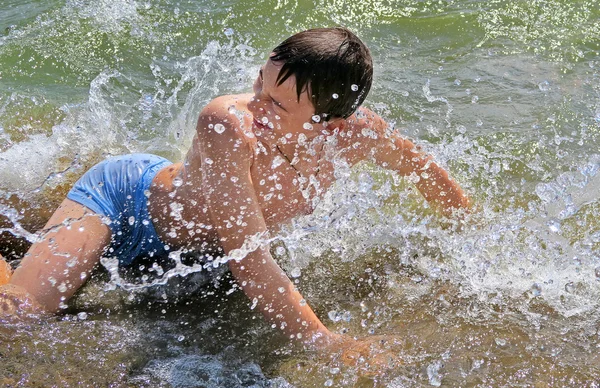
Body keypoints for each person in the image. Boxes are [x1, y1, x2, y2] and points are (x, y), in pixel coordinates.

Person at [0, 28, 469, 351]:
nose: (255, 106)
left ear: (330, 122)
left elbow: (427, 173)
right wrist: (328, 343)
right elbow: (248, 256)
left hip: (203, 250)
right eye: (258, 85)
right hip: (124, 205)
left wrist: (471, 235)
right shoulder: (228, 124)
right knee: (17, 318)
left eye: (276, 105)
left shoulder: (358, 133)